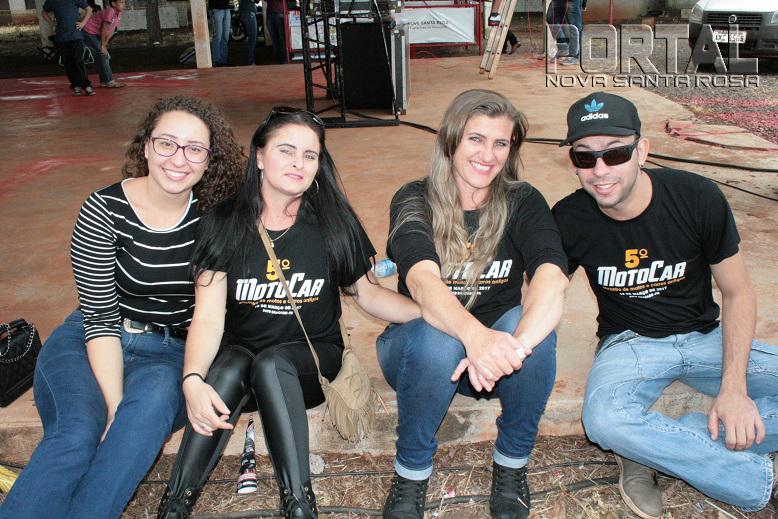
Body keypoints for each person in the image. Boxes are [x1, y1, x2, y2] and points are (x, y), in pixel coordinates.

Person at [156, 107, 421, 519]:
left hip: (310, 365)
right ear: (260, 156)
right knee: (231, 364)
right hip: (244, 369)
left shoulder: (333, 221)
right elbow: (207, 317)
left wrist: (432, 313)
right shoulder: (222, 222)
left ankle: (299, 503)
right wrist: (192, 379)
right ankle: (175, 503)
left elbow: (368, 294)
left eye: (309, 155)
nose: (299, 163)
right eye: (286, 150)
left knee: (272, 362)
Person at [0, 96, 244, 519]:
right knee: (78, 433)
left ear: (210, 160)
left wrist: (191, 375)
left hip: (169, 354)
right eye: (166, 143)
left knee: (136, 429)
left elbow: (208, 314)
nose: (178, 159)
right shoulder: (102, 209)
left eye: (194, 149)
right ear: (146, 146)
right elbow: (99, 317)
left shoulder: (214, 219)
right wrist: (114, 406)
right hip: (88, 341)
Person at [552, 91, 778, 518]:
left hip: (705, 336)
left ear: (642, 150)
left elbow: (738, 292)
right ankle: (756, 475)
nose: (600, 170)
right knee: (605, 419)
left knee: (628, 429)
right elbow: (541, 293)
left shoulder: (697, 196)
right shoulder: (569, 218)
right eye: (584, 157)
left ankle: (651, 447)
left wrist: (733, 390)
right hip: (629, 342)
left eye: (615, 153)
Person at [378, 89, 569, 519]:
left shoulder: (522, 200)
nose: (488, 155)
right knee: (437, 338)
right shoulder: (413, 198)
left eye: (501, 143)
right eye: (476, 139)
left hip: (495, 364)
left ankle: (511, 465)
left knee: (535, 328)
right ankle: (411, 474)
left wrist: (508, 349)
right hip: (419, 355)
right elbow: (422, 281)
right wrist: (475, 338)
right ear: (450, 141)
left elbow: (552, 277)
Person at [42, 0, 94, 95]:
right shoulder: (52, 1)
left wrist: (83, 23)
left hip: (75, 36)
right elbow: (44, 13)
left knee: (78, 60)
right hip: (61, 37)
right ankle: (76, 85)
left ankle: (86, 85)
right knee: (68, 63)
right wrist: (52, 23)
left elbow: (89, 9)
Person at [82, 0, 126, 88]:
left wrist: (104, 45)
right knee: (103, 55)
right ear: (113, 4)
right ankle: (108, 81)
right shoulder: (110, 11)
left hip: (96, 34)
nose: (124, 4)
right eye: (121, 2)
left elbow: (111, 30)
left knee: (103, 55)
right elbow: (104, 28)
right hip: (88, 31)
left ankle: (104, 81)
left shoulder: (119, 13)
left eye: (124, 2)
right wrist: (102, 45)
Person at [208, 0, 231, 66]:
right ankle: (216, 61)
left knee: (225, 37)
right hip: (216, 9)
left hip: (226, 9)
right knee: (217, 37)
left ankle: (224, 61)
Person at [238, 0, 258, 65]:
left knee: (252, 37)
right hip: (249, 11)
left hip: (245, 11)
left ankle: (251, 61)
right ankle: (251, 61)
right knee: (252, 38)